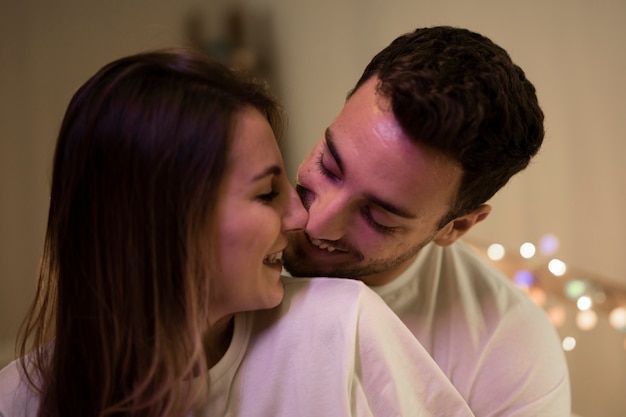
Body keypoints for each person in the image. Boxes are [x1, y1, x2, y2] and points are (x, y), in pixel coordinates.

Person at [0, 48, 477, 417]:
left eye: (381, 215)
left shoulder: (343, 327)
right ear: (169, 221)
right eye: (268, 193)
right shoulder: (17, 400)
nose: (301, 218)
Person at [283, 26, 571, 416]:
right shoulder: (215, 234)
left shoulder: (510, 350)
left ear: (456, 227)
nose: (318, 224)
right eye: (329, 166)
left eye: (378, 216)